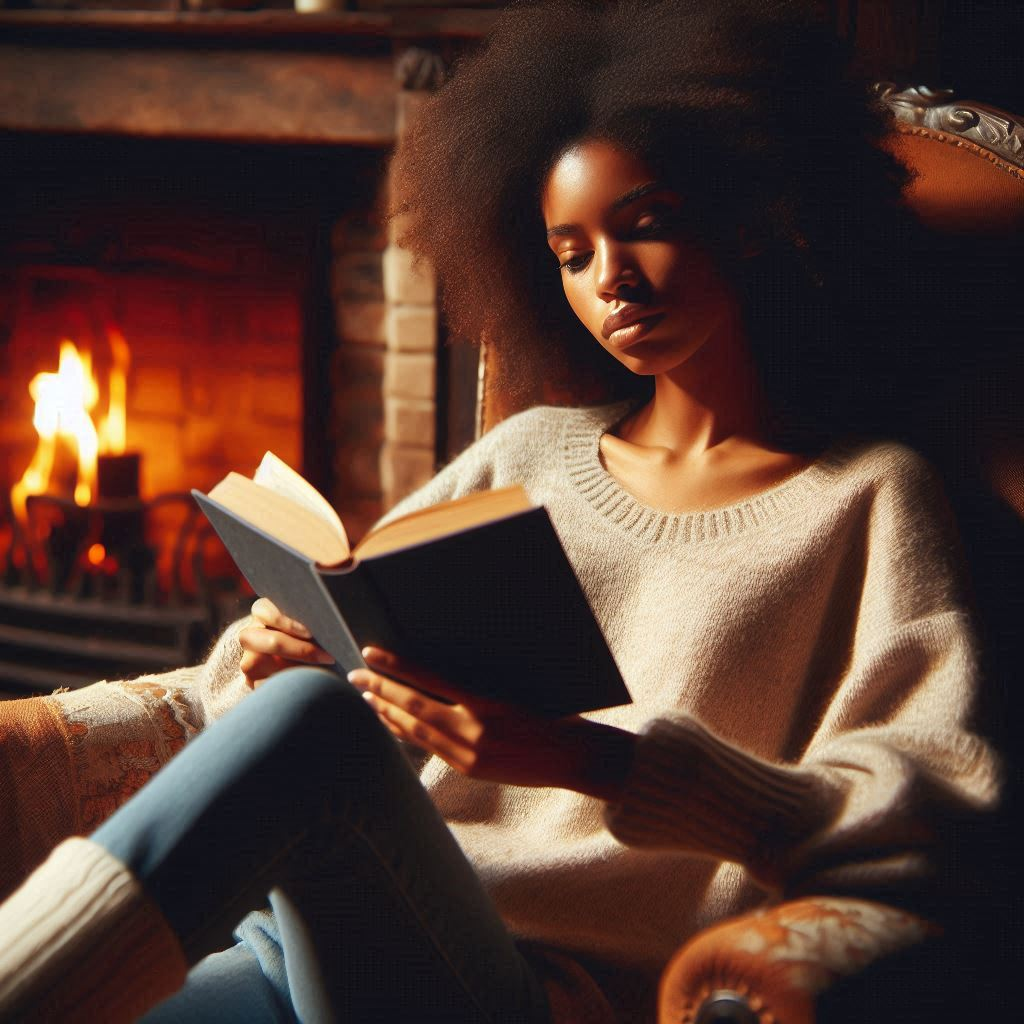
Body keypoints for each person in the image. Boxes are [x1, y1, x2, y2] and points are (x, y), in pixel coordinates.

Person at [0, 1, 1003, 1021]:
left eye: (644, 224)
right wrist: (272, 668)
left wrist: (591, 758)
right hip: (310, 934)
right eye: (571, 253)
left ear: (754, 216)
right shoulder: (529, 455)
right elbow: (320, 715)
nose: (609, 279)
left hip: (513, 991)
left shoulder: (868, 497)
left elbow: (930, 815)